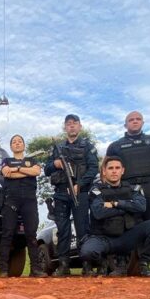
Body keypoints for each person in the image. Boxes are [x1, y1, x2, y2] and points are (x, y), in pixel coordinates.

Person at [106, 111, 150, 275]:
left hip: (149, 186)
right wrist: (108, 190)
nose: (134, 121)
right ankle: (121, 265)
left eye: (138, 119)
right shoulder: (115, 146)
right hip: (126, 188)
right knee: (123, 225)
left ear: (143, 122)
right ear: (125, 124)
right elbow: (105, 169)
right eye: (131, 120)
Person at [80, 156, 150, 277]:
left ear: (122, 170)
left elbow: (141, 207)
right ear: (104, 171)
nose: (114, 171)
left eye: (117, 168)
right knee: (87, 252)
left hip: (127, 236)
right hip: (104, 238)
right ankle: (102, 262)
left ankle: (144, 263)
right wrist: (128, 208)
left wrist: (115, 204)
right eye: (110, 168)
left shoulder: (132, 189)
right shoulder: (96, 190)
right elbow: (99, 212)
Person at [44, 114, 98, 276]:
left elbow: (93, 168)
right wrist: (55, 163)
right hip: (61, 193)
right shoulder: (58, 148)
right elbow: (46, 169)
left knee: (83, 229)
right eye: (68, 124)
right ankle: (63, 265)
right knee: (63, 229)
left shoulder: (87, 146)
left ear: (80, 127)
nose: (72, 126)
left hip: (80, 193)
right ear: (65, 127)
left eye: (75, 123)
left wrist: (79, 184)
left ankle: (87, 265)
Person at [0, 135, 46, 278]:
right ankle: (3, 270)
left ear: (24, 145)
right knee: (7, 234)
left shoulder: (32, 160)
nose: (17, 143)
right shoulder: (6, 161)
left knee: (31, 235)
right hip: (10, 201)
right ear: (11, 147)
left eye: (20, 141)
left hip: (29, 201)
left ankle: (35, 269)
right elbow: (7, 174)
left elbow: (36, 172)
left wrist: (17, 169)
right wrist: (25, 171)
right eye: (14, 142)